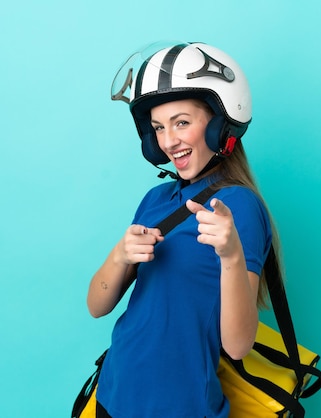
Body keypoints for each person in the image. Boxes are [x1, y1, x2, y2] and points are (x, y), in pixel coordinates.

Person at [86, 41, 283, 418]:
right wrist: (119, 256)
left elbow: (239, 345)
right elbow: (98, 306)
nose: (169, 141)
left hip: (179, 407)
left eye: (182, 122)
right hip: (113, 394)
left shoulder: (239, 206)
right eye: (158, 128)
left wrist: (231, 254)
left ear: (220, 124)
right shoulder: (155, 199)